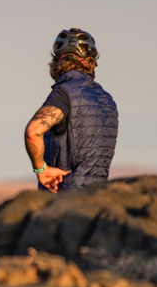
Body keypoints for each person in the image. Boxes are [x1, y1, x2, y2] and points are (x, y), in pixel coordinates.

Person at [23, 28, 118, 193]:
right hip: (97, 199)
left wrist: (41, 170)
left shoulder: (64, 94)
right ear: (91, 62)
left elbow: (33, 132)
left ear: (57, 62)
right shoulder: (107, 101)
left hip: (63, 202)